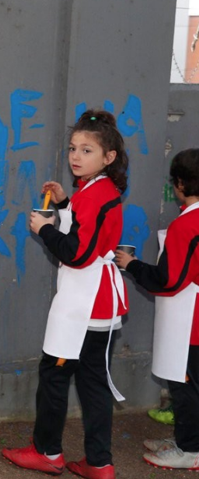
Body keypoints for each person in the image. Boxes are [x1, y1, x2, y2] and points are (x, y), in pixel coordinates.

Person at [2, 110, 129, 479]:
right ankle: (99, 462)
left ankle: (48, 452)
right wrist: (62, 205)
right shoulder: (98, 190)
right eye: (73, 148)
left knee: (56, 376)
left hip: (83, 303)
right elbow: (88, 231)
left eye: (87, 150)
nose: (76, 156)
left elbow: (77, 251)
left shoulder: (95, 194)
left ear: (108, 157)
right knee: (92, 381)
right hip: (95, 301)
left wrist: (44, 229)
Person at [115, 148, 199, 471]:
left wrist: (133, 265)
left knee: (185, 386)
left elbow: (169, 280)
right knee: (189, 385)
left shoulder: (185, 226)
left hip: (190, 321)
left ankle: (190, 450)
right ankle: (186, 440)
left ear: (178, 184)